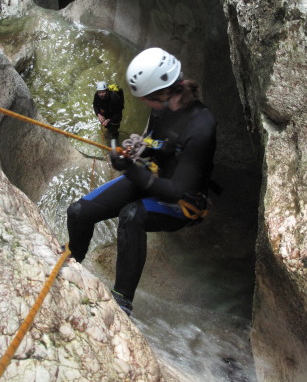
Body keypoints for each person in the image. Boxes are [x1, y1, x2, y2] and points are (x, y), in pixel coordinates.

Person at [67, 48, 217, 316]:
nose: (146, 104)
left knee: (131, 215)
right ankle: (71, 264)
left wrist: (130, 169)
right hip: (152, 175)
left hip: (183, 201)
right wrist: (134, 149)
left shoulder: (201, 126)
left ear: (161, 93)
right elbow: (155, 140)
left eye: (147, 99)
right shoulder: (163, 108)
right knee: (78, 212)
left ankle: (121, 300)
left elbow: (176, 190)